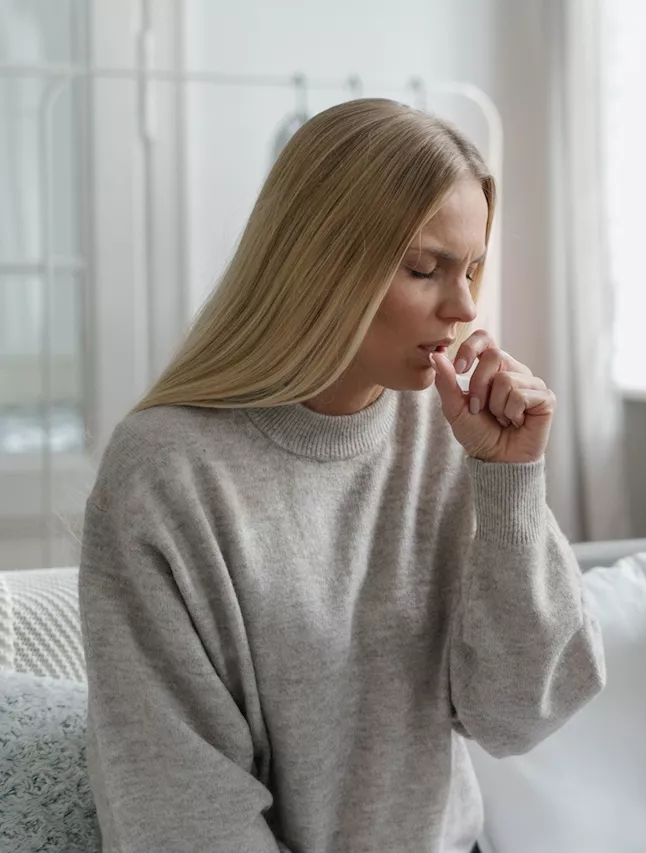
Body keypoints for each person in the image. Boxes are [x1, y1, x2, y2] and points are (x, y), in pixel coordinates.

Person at [78, 98, 606, 853]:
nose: (462, 307)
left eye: (474, 268)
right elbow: (179, 810)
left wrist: (510, 483)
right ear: (320, 262)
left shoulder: (454, 437)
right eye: (424, 268)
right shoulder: (166, 472)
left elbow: (521, 713)